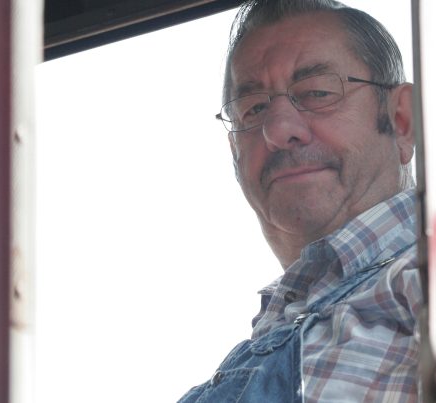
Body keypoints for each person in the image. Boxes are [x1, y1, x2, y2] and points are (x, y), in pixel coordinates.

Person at [178, 0, 422, 401]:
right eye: (253, 109)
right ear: (234, 150)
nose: (278, 130)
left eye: (317, 92)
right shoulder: (265, 336)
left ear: (402, 121)